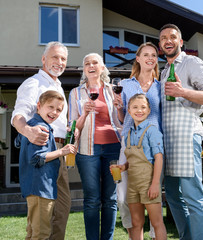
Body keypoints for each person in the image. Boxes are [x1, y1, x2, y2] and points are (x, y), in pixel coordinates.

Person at [159, 23, 203, 239]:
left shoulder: (192, 62)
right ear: (160, 45)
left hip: (186, 135)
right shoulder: (163, 72)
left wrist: (183, 92)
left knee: (192, 194)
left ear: (180, 42)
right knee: (173, 195)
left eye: (173, 37)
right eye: (164, 38)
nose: (168, 40)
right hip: (168, 139)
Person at [11, 41, 71, 240]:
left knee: (59, 208)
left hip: (59, 150)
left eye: (63, 59)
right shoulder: (34, 83)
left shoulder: (57, 86)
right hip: (45, 149)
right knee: (46, 212)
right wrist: (27, 131)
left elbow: (57, 120)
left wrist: (69, 129)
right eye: (55, 57)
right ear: (43, 59)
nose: (59, 62)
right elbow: (18, 115)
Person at [68, 53, 122, 240]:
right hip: (87, 150)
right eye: (87, 63)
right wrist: (84, 114)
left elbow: (122, 120)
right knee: (92, 199)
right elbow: (74, 127)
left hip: (114, 148)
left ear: (102, 67)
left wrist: (121, 108)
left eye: (95, 63)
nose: (91, 66)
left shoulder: (113, 89)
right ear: (84, 69)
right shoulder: (75, 93)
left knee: (110, 199)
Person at [113, 42, 162, 239]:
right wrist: (118, 109)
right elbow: (124, 119)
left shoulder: (162, 87)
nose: (150, 58)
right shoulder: (125, 85)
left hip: (152, 145)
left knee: (151, 195)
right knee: (124, 196)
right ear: (138, 58)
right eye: (146, 54)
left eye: (153, 55)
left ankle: (153, 234)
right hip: (129, 143)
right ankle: (134, 232)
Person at [15, 90, 77, 240]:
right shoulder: (41, 128)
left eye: (59, 110)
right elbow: (37, 159)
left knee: (32, 233)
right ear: (39, 106)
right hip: (40, 187)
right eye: (50, 107)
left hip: (36, 187)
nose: (54, 112)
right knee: (41, 234)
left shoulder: (33, 125)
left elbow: (17, 141)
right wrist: (62, 151)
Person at [111, 93, 166, 240]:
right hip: (133, 184)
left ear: (149, 110)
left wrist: (155, 184)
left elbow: (159, 158)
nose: (139, 110)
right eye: (135, 107)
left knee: (156, 222)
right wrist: (123, 167)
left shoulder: (152, 130)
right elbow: (134, 159)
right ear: (129, 111)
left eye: (143, 107)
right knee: (136, 223)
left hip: (148, 182)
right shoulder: (129, 133)